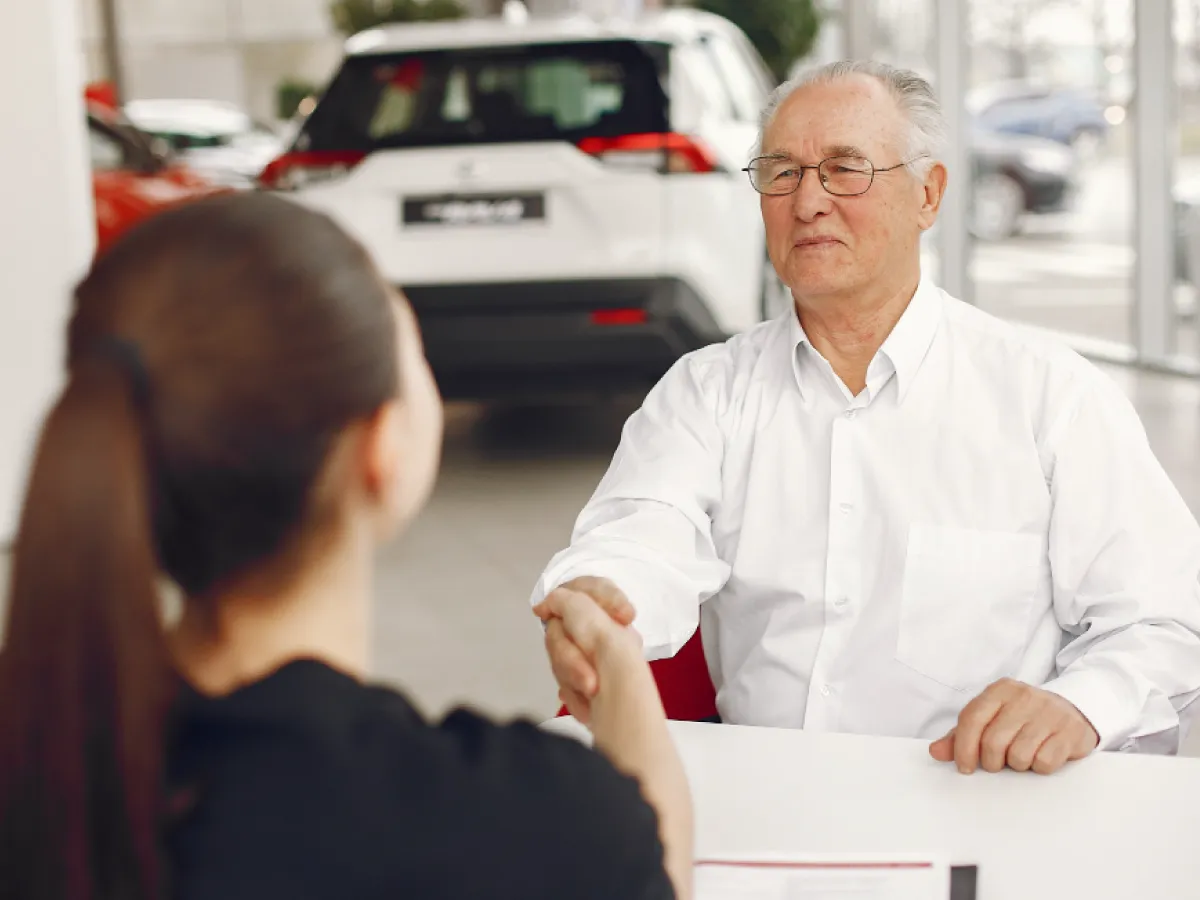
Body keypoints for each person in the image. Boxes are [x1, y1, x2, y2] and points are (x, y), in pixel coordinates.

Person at [0, 193, 692, 900]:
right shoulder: (520, 823)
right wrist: (623, 676)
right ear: (381, 448)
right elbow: (650, 865)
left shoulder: (42, 776)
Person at [532, 60, 1200, 776]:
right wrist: (604, 598)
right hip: (769, 808)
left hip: (981, 808)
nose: (808, 199)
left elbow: (1165, 620)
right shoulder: (707, 392)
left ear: (928, 194)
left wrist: (1081, 704)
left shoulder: (1049, 396)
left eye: (845, 169)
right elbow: (641, 535)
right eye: (781, 172)